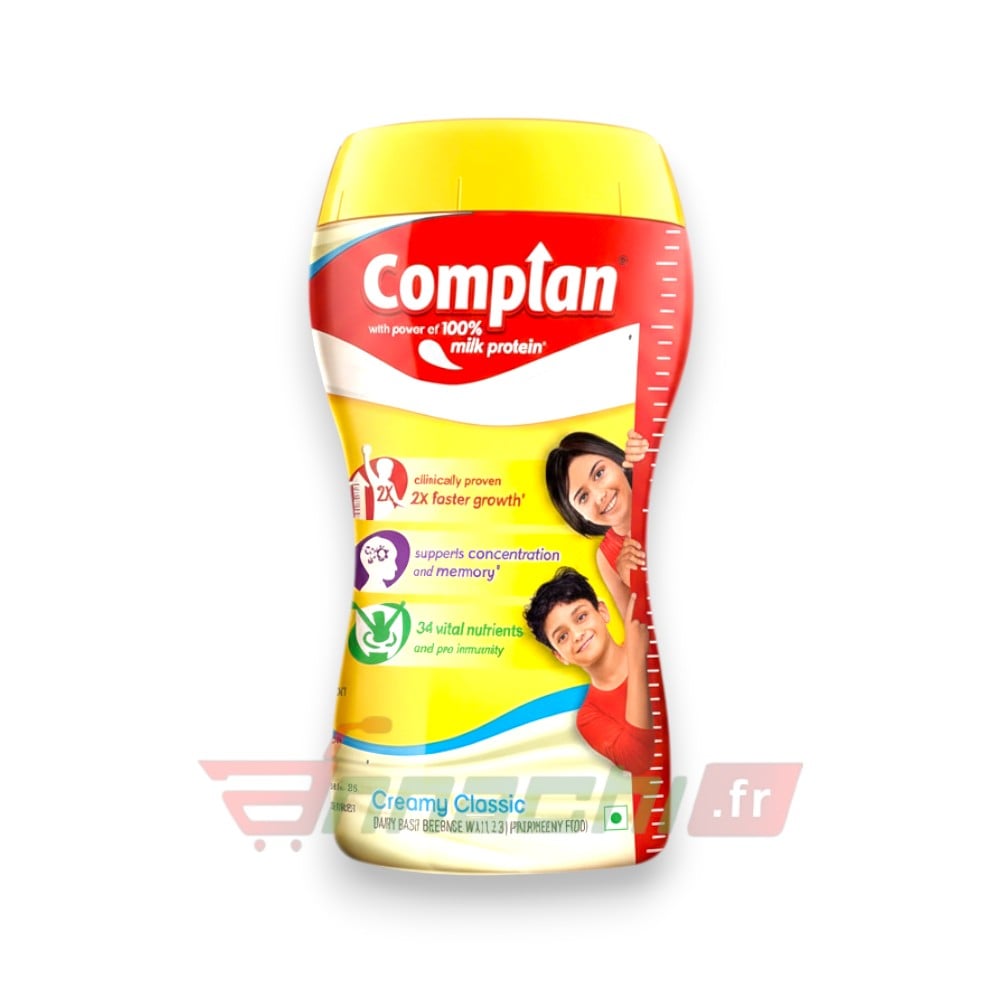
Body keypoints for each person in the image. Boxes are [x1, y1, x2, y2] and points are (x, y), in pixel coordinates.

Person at [524, 568, 654, 774]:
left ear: (602, 612)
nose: (577, 634)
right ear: (560, 656)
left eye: (581, 617)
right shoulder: (589, 718)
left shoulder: (648, 637)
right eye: (562, 637)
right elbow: (640, 761)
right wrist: (637, 661)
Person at [545, 430, 648, 619]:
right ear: (579, 516)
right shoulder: (606, 558)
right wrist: (633, 584)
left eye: (599, 473)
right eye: (583, 497)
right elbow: (637, 631)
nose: (600, 496)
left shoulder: (658, 484)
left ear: (618, 462)